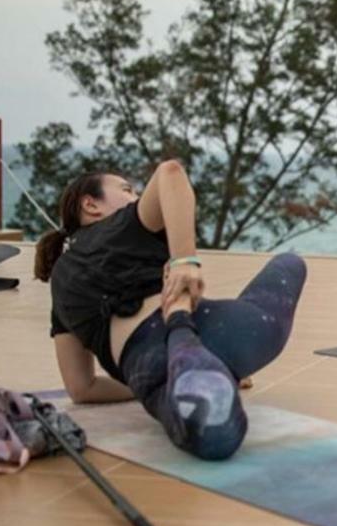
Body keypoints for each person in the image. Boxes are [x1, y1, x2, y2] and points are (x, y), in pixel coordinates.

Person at [35, 163, 306, 460]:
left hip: (144, 368)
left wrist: (136, 388)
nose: (136, 196)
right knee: (289, 265)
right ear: (91, 205)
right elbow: (171, 173)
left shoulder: (59, 285)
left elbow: (81, 388)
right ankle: (189, 338)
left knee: (212, 437)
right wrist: (183, 261)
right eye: (127, 190)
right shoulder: (125, 223)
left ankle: (195, 376)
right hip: (216, 329)